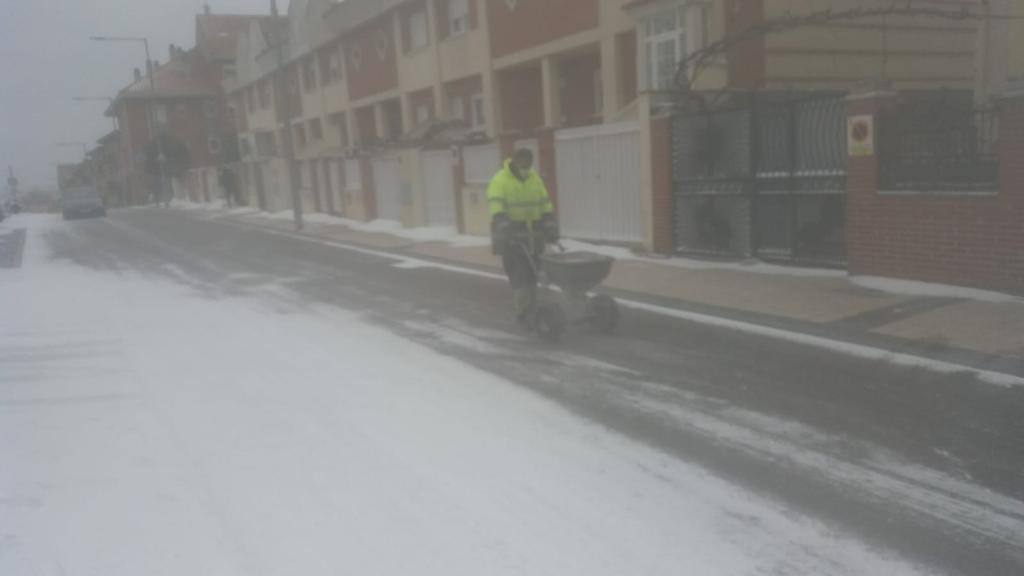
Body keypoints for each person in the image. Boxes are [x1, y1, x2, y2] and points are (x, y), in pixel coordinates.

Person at [487, 148, 559, 325]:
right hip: (512, 237)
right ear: (515, 161)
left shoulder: (535, 179)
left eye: (529, 163)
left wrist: (549, 224)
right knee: (521, 278)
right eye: (523, 163)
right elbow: (497, 207)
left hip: (534, 235)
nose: (526, 166)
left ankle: (533, 308)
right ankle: (522, 313)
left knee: (534, 275)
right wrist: (504, 225)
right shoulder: (500, 180)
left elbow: (545, 204)